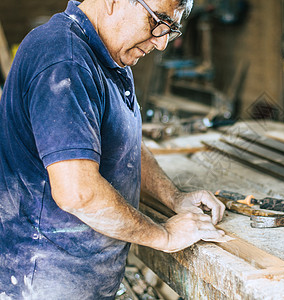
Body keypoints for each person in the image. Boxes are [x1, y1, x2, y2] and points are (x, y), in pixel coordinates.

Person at [0, 0, 226, 298]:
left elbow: (122, 144)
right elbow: (78, 193)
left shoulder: (109, 55)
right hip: (43, 283)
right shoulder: (64, 59)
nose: (160, 44)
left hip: (80, 279)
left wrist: (174, 198)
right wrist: (165, 235)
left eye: (169, 30)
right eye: (156, 21)